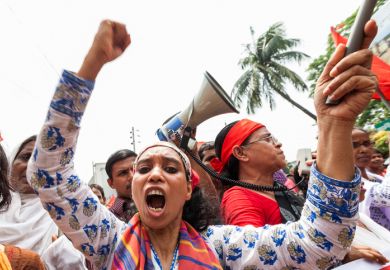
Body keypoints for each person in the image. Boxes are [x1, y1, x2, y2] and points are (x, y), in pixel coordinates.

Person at [26, 19, 382, 269]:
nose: (154, 175)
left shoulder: (223, 246)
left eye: (170, 168)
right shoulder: (106, 240)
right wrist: (91, 65)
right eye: (143, 169)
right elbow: (49, 177)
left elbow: (319, 243)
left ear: (187, 189)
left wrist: (335, 125)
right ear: (132, 189)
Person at [215, 119, 305, 226]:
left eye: (274, 138)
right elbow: (250, 241)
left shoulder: (279, 187)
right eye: (267, 139)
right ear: (240, 153)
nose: (278, 144)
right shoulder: (239, 200)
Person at [352, 128, 390, 230]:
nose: (364, 150)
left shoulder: (376, 178)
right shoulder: (348, 183)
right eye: (354, 145)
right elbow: (387, 195)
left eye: (366, 143)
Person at [105, 149, 138, 222]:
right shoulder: (108, 220)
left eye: (136, 169)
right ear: (111, 183)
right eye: (123, 173)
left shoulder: (161, 207)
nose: (132, 176)